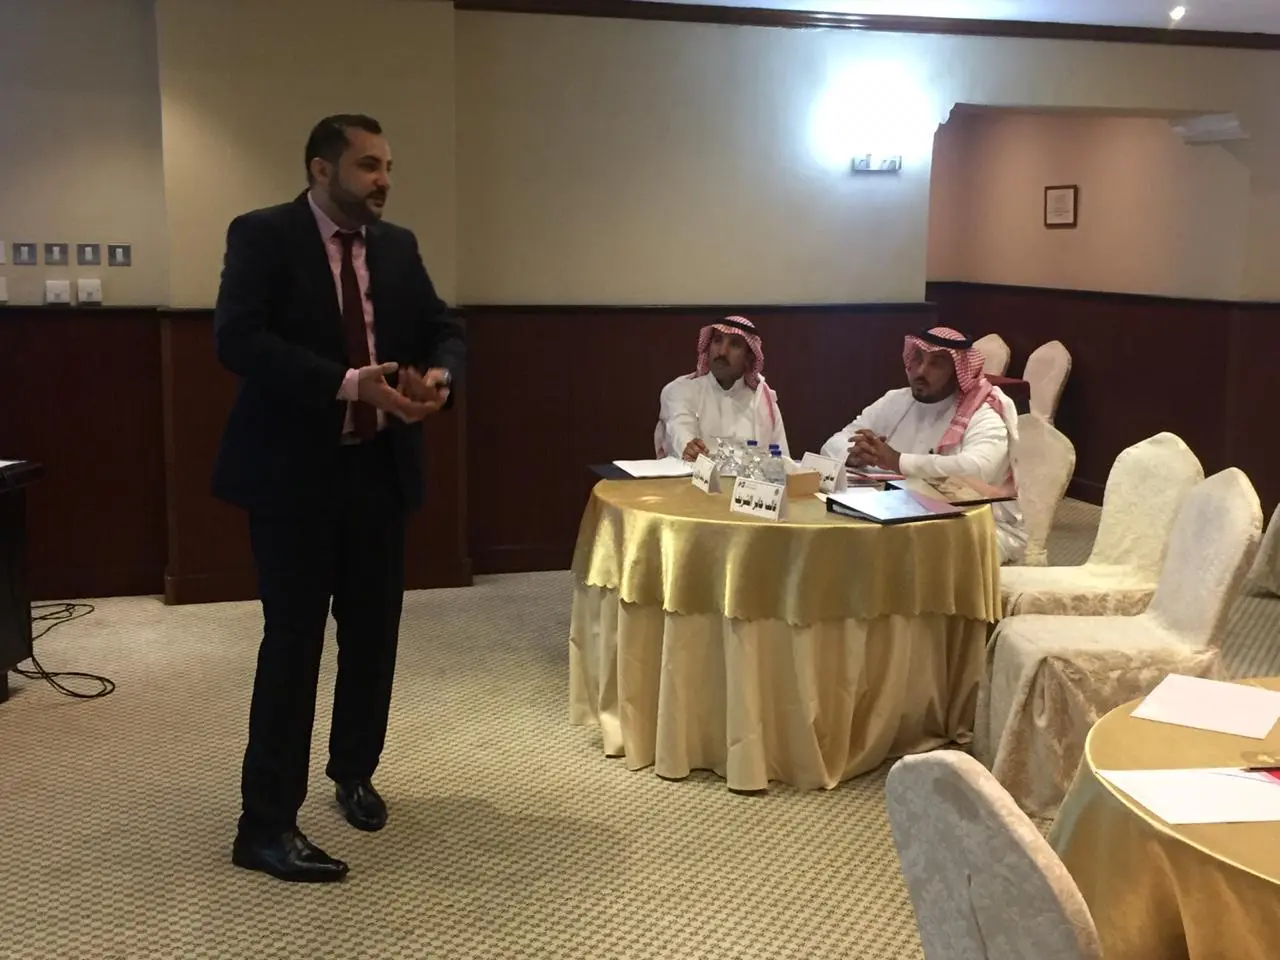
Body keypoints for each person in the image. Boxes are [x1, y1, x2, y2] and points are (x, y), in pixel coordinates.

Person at [211, 114, 465, 883]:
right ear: (322, 170)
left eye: (387, 166)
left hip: (378, 473)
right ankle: (264, 825)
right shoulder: (263, 235)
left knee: (372, 636)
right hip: (293, 477)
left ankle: (353, 771)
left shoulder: (398, 246)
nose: (383, 180)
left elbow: (443, 327)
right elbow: (237, 340)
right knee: (293, 645)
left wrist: (440, 377)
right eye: (367, 166)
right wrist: (348, 383)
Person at [820, 326, 1026, 563]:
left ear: (958, 371)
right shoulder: (895, 400)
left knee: (907, 553)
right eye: (917, 359)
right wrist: (853, 454)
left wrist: (897, 461)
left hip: (981, 525)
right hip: (903, 515)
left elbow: (976, 469)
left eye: (936, 363)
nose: (920, 371)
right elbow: (832, 444)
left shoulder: (983, 413)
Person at [656, 315, 789, 461]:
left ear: (749, 358)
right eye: (717, 341)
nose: (722, 352)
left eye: (734, 344)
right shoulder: (681, 390)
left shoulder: (764, 402)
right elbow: (679, 430)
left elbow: (781, 461)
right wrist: (688, 447)